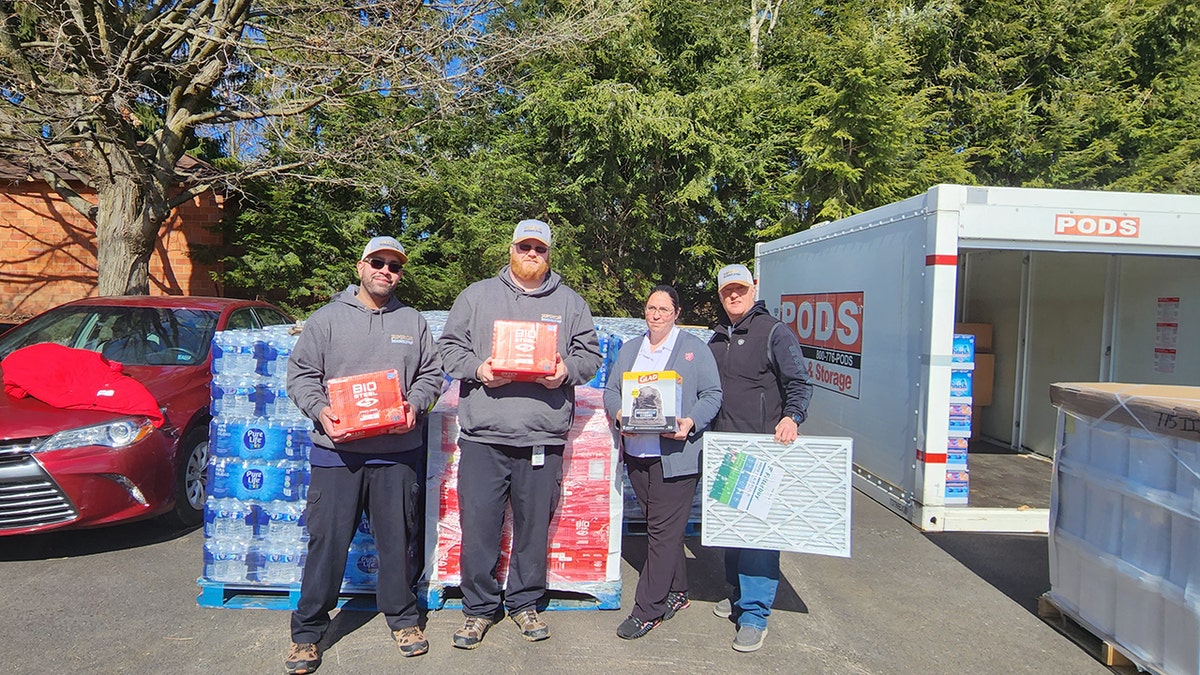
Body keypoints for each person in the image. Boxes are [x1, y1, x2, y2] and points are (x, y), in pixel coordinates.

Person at [437, 218, 601, 649]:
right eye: (525, 247)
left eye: (540, 249)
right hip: (484, 437)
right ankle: (477, 610)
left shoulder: (569, 303)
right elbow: (449, 349)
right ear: (511, 249)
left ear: (549, 254)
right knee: (479, 527)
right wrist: (478, 369)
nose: (532, 254)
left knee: (532, 531)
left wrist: (567, 369)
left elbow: (590, 355)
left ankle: (525, 603)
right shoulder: (477, 296)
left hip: (541, 439)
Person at [283, 236, 445, 674]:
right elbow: (300, 376)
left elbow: (433, 374)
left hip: (396, 453)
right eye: (378, 262)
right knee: (327, 545)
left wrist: (416, 404)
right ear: (360, 266)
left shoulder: (413, 322)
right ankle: (308, 633)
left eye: (394, 266)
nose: (385, 271)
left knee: (397, 542)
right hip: (338, 454)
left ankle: (404, 620)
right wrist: (320, 410)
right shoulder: (327, 320)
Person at [603, 285, 722, 639]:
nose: (655, 315)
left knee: (662, 533)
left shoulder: (693, 350)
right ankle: (678, 592)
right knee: (661, 529)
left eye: (663, 309)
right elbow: (611, 391)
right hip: (639, 456)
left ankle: (647, 610)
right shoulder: (630, 350)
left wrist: (691, 422)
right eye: (650, 308)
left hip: (676, 459)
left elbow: (713, 394)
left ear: (676, 313)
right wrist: (620, 413)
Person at [706, 263, 814, 653]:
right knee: (733, 528)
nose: (733, 296)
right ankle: (737, 595)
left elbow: (799, 382)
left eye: (739, 289)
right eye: (726, 291)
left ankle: (754, 615)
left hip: (762, 450)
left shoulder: (774, 332)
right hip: (726, 449)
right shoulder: (716, 338)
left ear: (753, 288)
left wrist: (792, 416)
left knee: (758, 535)